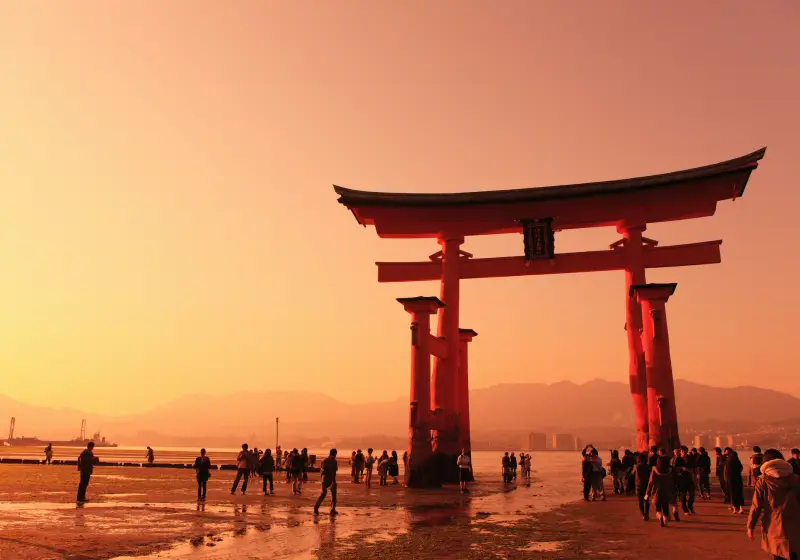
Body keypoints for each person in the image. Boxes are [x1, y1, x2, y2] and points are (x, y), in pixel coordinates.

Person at [747, 448, 800, 560]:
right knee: (794, 553)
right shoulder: (796, 479)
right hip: (795, 525)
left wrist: (750, 526)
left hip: (773, 526)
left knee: (778, 553)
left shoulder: (763, 481)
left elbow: (756, 506)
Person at [645, 457, 674, 528]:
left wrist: (647, 492)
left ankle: (660, 516)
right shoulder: (669, 471)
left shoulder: (655, 470)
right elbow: (672, 481)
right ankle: (665, 523)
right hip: (666, 491)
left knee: (658, 508)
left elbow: (650, 482)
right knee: (665, 507)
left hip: (657, 492)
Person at [314, 448, 338, 516]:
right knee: (333, 495)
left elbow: (321, 471)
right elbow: (334, 472)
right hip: (330, 479)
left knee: (323, 494)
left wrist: (322, 478)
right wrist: (334, 481)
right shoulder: (334, 461)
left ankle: (316, 508)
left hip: (324, 479)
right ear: (335, 454)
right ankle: (332, 509)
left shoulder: (324, 460)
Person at [724, 447, 745, 514]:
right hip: (738, 478)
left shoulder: (729, 461)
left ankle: (735, 508)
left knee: (732, 493)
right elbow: (741, 468)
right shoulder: (737, 461)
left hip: (730, 479)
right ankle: (741, 508)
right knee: (739, 493)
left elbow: (727, 472)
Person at [634, 452, 652, 520]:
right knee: (646, 500)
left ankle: (643, 514)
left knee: (640, 501)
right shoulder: (648, 466)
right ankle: (647, 514)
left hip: (639, 486)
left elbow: (636, 477)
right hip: (647, 486)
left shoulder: (638, 466)